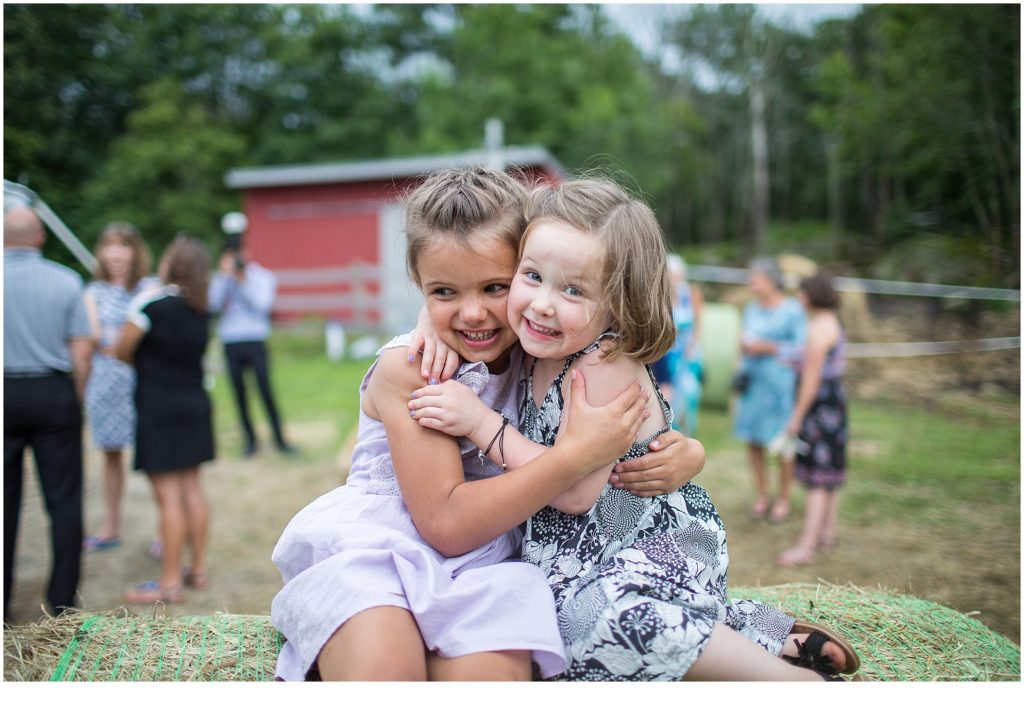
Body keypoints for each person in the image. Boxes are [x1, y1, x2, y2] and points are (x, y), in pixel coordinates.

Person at [409, 178, 859, 681]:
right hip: (582, 555)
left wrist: (480, 422)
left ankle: (795, 681)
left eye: (574, 290)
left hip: (649, 546)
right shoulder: (538, 336)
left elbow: (576, 492)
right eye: (531, 276)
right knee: (542, 632)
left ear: (618, 304)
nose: (542, 303)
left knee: (589, 624)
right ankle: (765, 633)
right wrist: (430, 320)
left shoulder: (601, 364)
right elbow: (469, 302)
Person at [270, 167, 705, 682]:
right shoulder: (416, 369)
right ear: (419, 284)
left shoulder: (540, 343)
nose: (474, 314)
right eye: (444, 292)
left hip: (492, 567)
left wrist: (685, 452)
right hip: (382, 552)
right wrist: (574, 458)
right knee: (386, 672)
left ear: (526, 269)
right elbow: (447, 525)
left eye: (495, 286)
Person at [4, 205, 92, 617]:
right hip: (53, 390)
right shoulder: (67, 280)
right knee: (64, 501)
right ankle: (61, 603)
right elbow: (81, 351)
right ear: (40, 236)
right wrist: (73, 398)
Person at [116, 235, 214, 604]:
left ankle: (169, 582)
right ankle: (199, 569)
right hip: (195, 403)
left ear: (172, 264)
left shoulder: (150, 302)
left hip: (159, 406)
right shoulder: (203, 308)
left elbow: (122, 349)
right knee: (193, 488)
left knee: (168, 498)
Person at [82, 222, 159, 553]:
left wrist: (116, 341)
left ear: (135, 251)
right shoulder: (93, 291)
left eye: (123, 245)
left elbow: (150, 334)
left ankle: (164, 531)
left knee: (155, 458)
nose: (115, 253)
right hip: (105, 384)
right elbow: (93, 335)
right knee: (110, 455)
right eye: (109, 245)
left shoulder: (150, 287)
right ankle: (110, 526)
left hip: (142, 382)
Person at [777, 273, 848, 566]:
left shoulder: (818, 328)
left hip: (819, 407)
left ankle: (806, 546)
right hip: (834, 402)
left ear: (813, 295)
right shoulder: (832, 322)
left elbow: (811, 379)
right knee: (830, 472)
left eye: (802, 293)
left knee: (817, 478)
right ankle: (826, 534)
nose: (798, 298)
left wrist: (796, 416)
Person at [734, 257, 807, 523]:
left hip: (779, 386)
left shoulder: (792, 310)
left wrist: (766, 347)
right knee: (754, 440)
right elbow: (744, 339)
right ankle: (763, 494)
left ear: (771, 280)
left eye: (755, 278)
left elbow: (800, 349)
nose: (750, 284)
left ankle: (784, 496)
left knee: (782, 443)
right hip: (753, 383)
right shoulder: (751, 309)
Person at [208, 242, 294, 457]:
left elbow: (263, 305)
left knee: (265, 389)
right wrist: (225, 279)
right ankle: (250, 440)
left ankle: (280, 439)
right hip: (230, 340)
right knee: (239, 392)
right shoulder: (220, 279)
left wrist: (242, 281)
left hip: (255, 338)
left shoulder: (261, 277)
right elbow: (212, 306)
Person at [668, 253, 704, 435]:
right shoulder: (662, 295)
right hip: (668, 353)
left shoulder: (691, 294)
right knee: (669, 394)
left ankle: (687, 432)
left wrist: (693, 345)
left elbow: (698, 322)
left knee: (689, 393)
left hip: (687, 353)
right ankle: (670, 429)